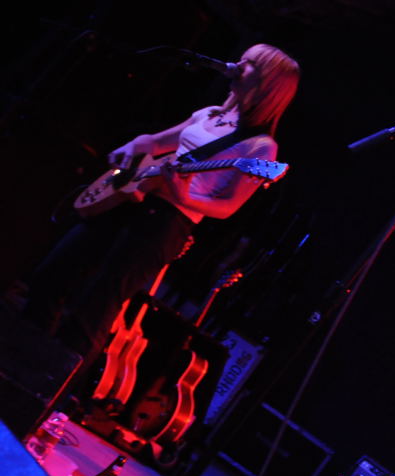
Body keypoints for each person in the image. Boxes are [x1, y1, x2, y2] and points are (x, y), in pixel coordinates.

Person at [21, 43, 300, 380]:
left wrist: (183, 194)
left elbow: (227, 208)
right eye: (242, 57)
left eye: (250, 63)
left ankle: (48, 384)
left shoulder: (260, 147)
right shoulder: (209, 113)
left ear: (268, 83)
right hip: (131, 199)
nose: (238, 64)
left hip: (166, 222)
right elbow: (154, 143)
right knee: (52, 274)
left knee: (96, 305)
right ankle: (21, 358)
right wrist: (134, 146)